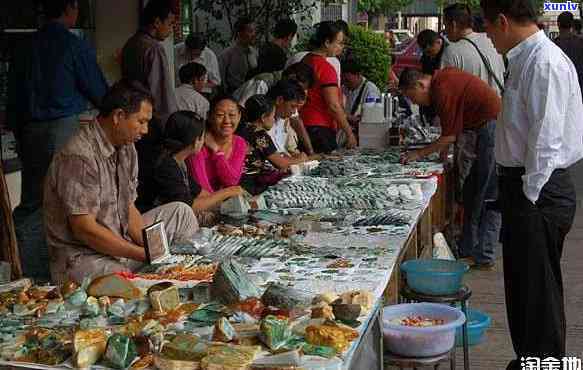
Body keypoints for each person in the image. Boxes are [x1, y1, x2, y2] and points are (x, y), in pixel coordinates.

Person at [480, 0, 583, 367]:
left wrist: (529, 195)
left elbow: (547, 140)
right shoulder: (524, 59)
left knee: (538, 295)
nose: (487, 36)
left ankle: (543, 362)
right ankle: (529, 359)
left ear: (503, 21)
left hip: (538, 190)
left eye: (488, 27)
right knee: (523, 289)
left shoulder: (543, 62)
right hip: (524, 187)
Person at [43, 80, 198, 285]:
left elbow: (128, 206)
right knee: (129, 282)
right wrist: (142, 254)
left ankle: (178, 273)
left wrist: (154, 249)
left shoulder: (126, 146)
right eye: (141, 121)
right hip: (83, 257)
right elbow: (84, 229)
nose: (145, 130)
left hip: (120, 241)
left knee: (182, 213)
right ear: (118, 116)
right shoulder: (79, 156)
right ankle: (148, 276)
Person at [7, 0, 108, 281]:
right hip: (62, 128)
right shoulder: (72, 44)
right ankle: (55, 273)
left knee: (32, 201)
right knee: (67, 203)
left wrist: (18, 132)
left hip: (29, 130)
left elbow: (12, 98)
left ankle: (25, 271)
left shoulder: (24, 46)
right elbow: (99, 92)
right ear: (70, 9)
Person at [441, 3, 505, 269]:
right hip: (500, 123)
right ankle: (486, 251)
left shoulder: (454, 50)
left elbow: (445, 94)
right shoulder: (491, 42)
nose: (446, 31)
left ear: (454, 25)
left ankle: (469, 247)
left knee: (471, 190)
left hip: (473, 130)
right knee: (491, 191)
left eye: (446, 26)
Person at [121, 0, 178, 211]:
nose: (171, 30)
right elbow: (162, 96)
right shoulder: (153, 48)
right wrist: (172, 131)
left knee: (136, 177)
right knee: (149, 181)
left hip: (131, 120)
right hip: (152, 124)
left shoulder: (130, 44)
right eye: (170, 24)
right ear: (156, 22)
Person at [151, 111, 243, 225]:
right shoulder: (166, 166)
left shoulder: (179, 162)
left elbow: (200, 192)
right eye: (203, 137)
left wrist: (224, 201)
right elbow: (190, 207)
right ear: (196, 141)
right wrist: (228, 192)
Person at [399, 68, 501, 167]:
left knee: (483, 172)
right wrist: (443, 152)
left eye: (412, 97)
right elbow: (449, 130)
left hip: (488, 120)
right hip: (482, 121)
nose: (413, 102)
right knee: (475, 173)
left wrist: (418, 153)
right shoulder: (439, 82)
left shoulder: (441, 89)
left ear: (421, 85)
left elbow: (449, 137)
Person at [299, 21, 357, 153]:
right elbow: (334, 106)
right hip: (320, 128)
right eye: (339, 43)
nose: (341, 47)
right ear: (327, 42)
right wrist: (349, 133)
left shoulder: (306, 60)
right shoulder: (325, 68)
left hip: (304, 125)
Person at [238, 95, 310, 195]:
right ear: (263, 117)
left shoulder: (241, 129)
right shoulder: (260, 135)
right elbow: (281, 163)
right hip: (249, 183)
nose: (273, 119)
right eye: (272, 116)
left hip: (238, 179)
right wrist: (301, 159)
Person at [186, 96, 247, 193]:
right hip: (202, 203)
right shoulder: (198, 143)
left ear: (239, 116)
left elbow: (232, 181)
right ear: (209, 116)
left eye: (232, 115)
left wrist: (216, 151)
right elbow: (202, 188)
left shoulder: (240, 143)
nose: (227, 121)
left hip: (222, 201)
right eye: (220, 115)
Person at [265, 80, 309, 158]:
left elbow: (285, 151)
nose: (294, 111)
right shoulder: (262, 123)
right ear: (279, 100)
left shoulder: (284, 121)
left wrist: (297, 156)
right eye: (292, 106)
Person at [219, 17, 258, 94]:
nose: (254, 34)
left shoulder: (254, 52)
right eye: (250, 31)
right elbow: (221, 81)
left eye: (254, 31)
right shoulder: (227, 54)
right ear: (240, 33)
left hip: (252, 93)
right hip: (233, 95)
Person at [341, 60, 381, 129]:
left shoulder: (371, 90)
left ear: (358, 75)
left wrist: (346, 116)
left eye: (348, 81)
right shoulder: (344, 88)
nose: (345, 84)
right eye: (343, 81)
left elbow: (370, 119)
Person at [553, 11, 583, 100]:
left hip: (561, 90)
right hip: (580, 88)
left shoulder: (553, 46)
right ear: (572, 25)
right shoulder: (581, 42)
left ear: (558, 24)